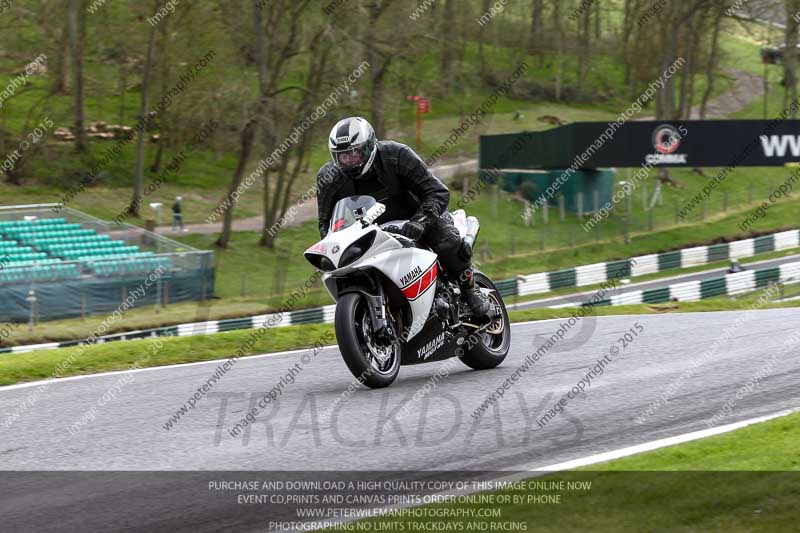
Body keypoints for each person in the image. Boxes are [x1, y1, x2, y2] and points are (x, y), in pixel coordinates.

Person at [316, 116, 489, 316]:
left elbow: (437, 191)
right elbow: (325, 224)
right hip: (371, 232)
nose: (348, 161)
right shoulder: (328, 178)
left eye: (354, 153)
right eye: (342, 156)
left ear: (369, 146)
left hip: (418, 218)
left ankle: (470, 292)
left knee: (448, 243)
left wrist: (420, 221)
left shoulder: (396, 155)